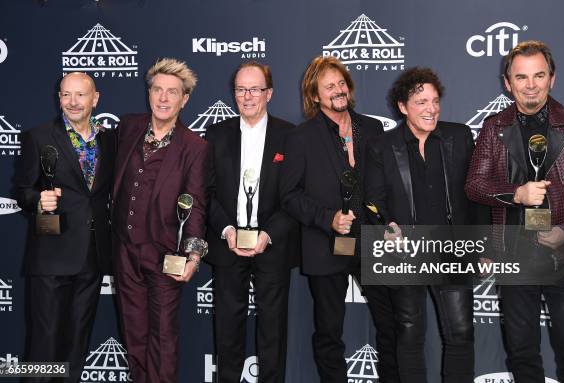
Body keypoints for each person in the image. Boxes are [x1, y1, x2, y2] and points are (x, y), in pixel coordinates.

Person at [465, 40, 564, 383]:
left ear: (552, 79)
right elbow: (475, 185)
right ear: (508, 82)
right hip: (514, 255)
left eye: (538, 75)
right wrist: (515, 194)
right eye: (521, 77)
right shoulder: (493, 127)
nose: (530, 84)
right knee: (522, 355)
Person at [280, 56, 392, 382]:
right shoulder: (301, 138)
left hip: (372, 242)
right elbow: (289, 195)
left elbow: (384, 184)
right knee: (329, 332)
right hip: (325, 244)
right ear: (315, 96)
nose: (338, 90)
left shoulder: (371, 128)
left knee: (391, 323)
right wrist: (327, 219)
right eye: (329, 86)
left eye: (341, 83)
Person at [363, 67, 479, 383]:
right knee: (410, 334)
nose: (431, 109)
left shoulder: (459, 136)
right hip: (405, 253)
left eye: (434, 100)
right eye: (421, 102)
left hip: (452, 248)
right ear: (403, 107)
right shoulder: (382, 146)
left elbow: (476, 194)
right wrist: (387, 226)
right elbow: (373, 200)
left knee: (460, 332)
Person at [112, 58, 208, 383]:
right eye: (157, 90)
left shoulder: (194, 147)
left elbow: (195, 203)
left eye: (172, 92)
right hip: (126, 251)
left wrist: (194, 254)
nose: (163, 98)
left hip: (167, 254)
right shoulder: (128, 127)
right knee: (134, 333)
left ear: (185, 99)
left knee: (163, 337)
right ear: (149, 93)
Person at [16, 72, 115, 383]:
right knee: (44, 345)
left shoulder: (110, 139)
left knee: (77, 343)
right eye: (65, 95)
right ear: (58, 98)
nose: (72, 102)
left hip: (92, 256)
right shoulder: (39, 136)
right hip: (51, 256)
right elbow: (22, 190)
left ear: (95, 99)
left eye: (80, 95)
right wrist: (37, 200)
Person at [204, 61, 298, 382]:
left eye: (254, 89)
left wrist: (269, 233)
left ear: (268, 93)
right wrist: (227, 230)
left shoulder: (289, 136)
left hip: (271, 245)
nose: (247, 96)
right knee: (227, 332)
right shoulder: (216, 135)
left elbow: (295, 196)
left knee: (272, 333)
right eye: (241, 89)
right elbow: (207, 192)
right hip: (228, 244)